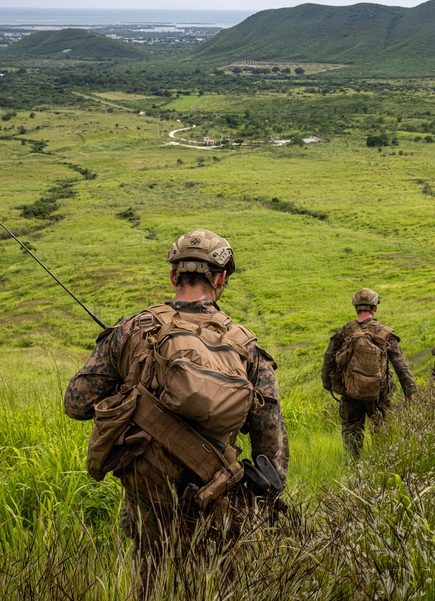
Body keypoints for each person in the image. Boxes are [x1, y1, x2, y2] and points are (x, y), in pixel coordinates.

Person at [63, 229, 288, 593]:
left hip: (147, 504)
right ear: (220, 279)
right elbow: (270, 445)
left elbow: (76, 404)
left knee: (151, 585)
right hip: (216, 501)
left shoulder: (132, 329)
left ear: (173, 276)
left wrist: (127, 375)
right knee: (213, 586)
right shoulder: (246, 346)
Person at [321, 288, 417, 457]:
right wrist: (410, 392)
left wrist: (328, 384)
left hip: (350, 394)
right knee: (381, 435)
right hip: (379, 394)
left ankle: (353, 471)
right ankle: (380, 468)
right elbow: (401, 366)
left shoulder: (344, 332)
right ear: (375, 308)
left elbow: (328, 360)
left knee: (352, 435)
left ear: (356, 308)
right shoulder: (385, 333)